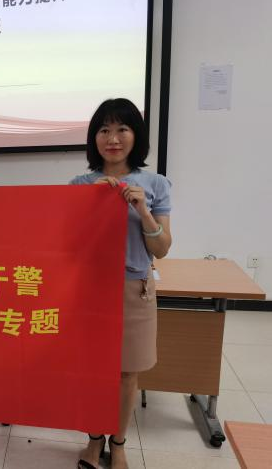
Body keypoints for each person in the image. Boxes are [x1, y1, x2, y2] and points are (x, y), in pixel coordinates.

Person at [70, 98, 172, 469]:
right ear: (94, 137)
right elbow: (70, 247)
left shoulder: (156, 184)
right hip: (91, 290)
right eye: (104, 130)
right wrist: (92, 204)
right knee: (94, 371)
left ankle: (119, 441)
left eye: (122, 129)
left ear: (135, 135)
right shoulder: (80, 185)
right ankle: (94, 438)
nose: (113, 138)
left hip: (134, 289)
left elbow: (161, 248)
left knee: (128, 373)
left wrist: (142, 210)